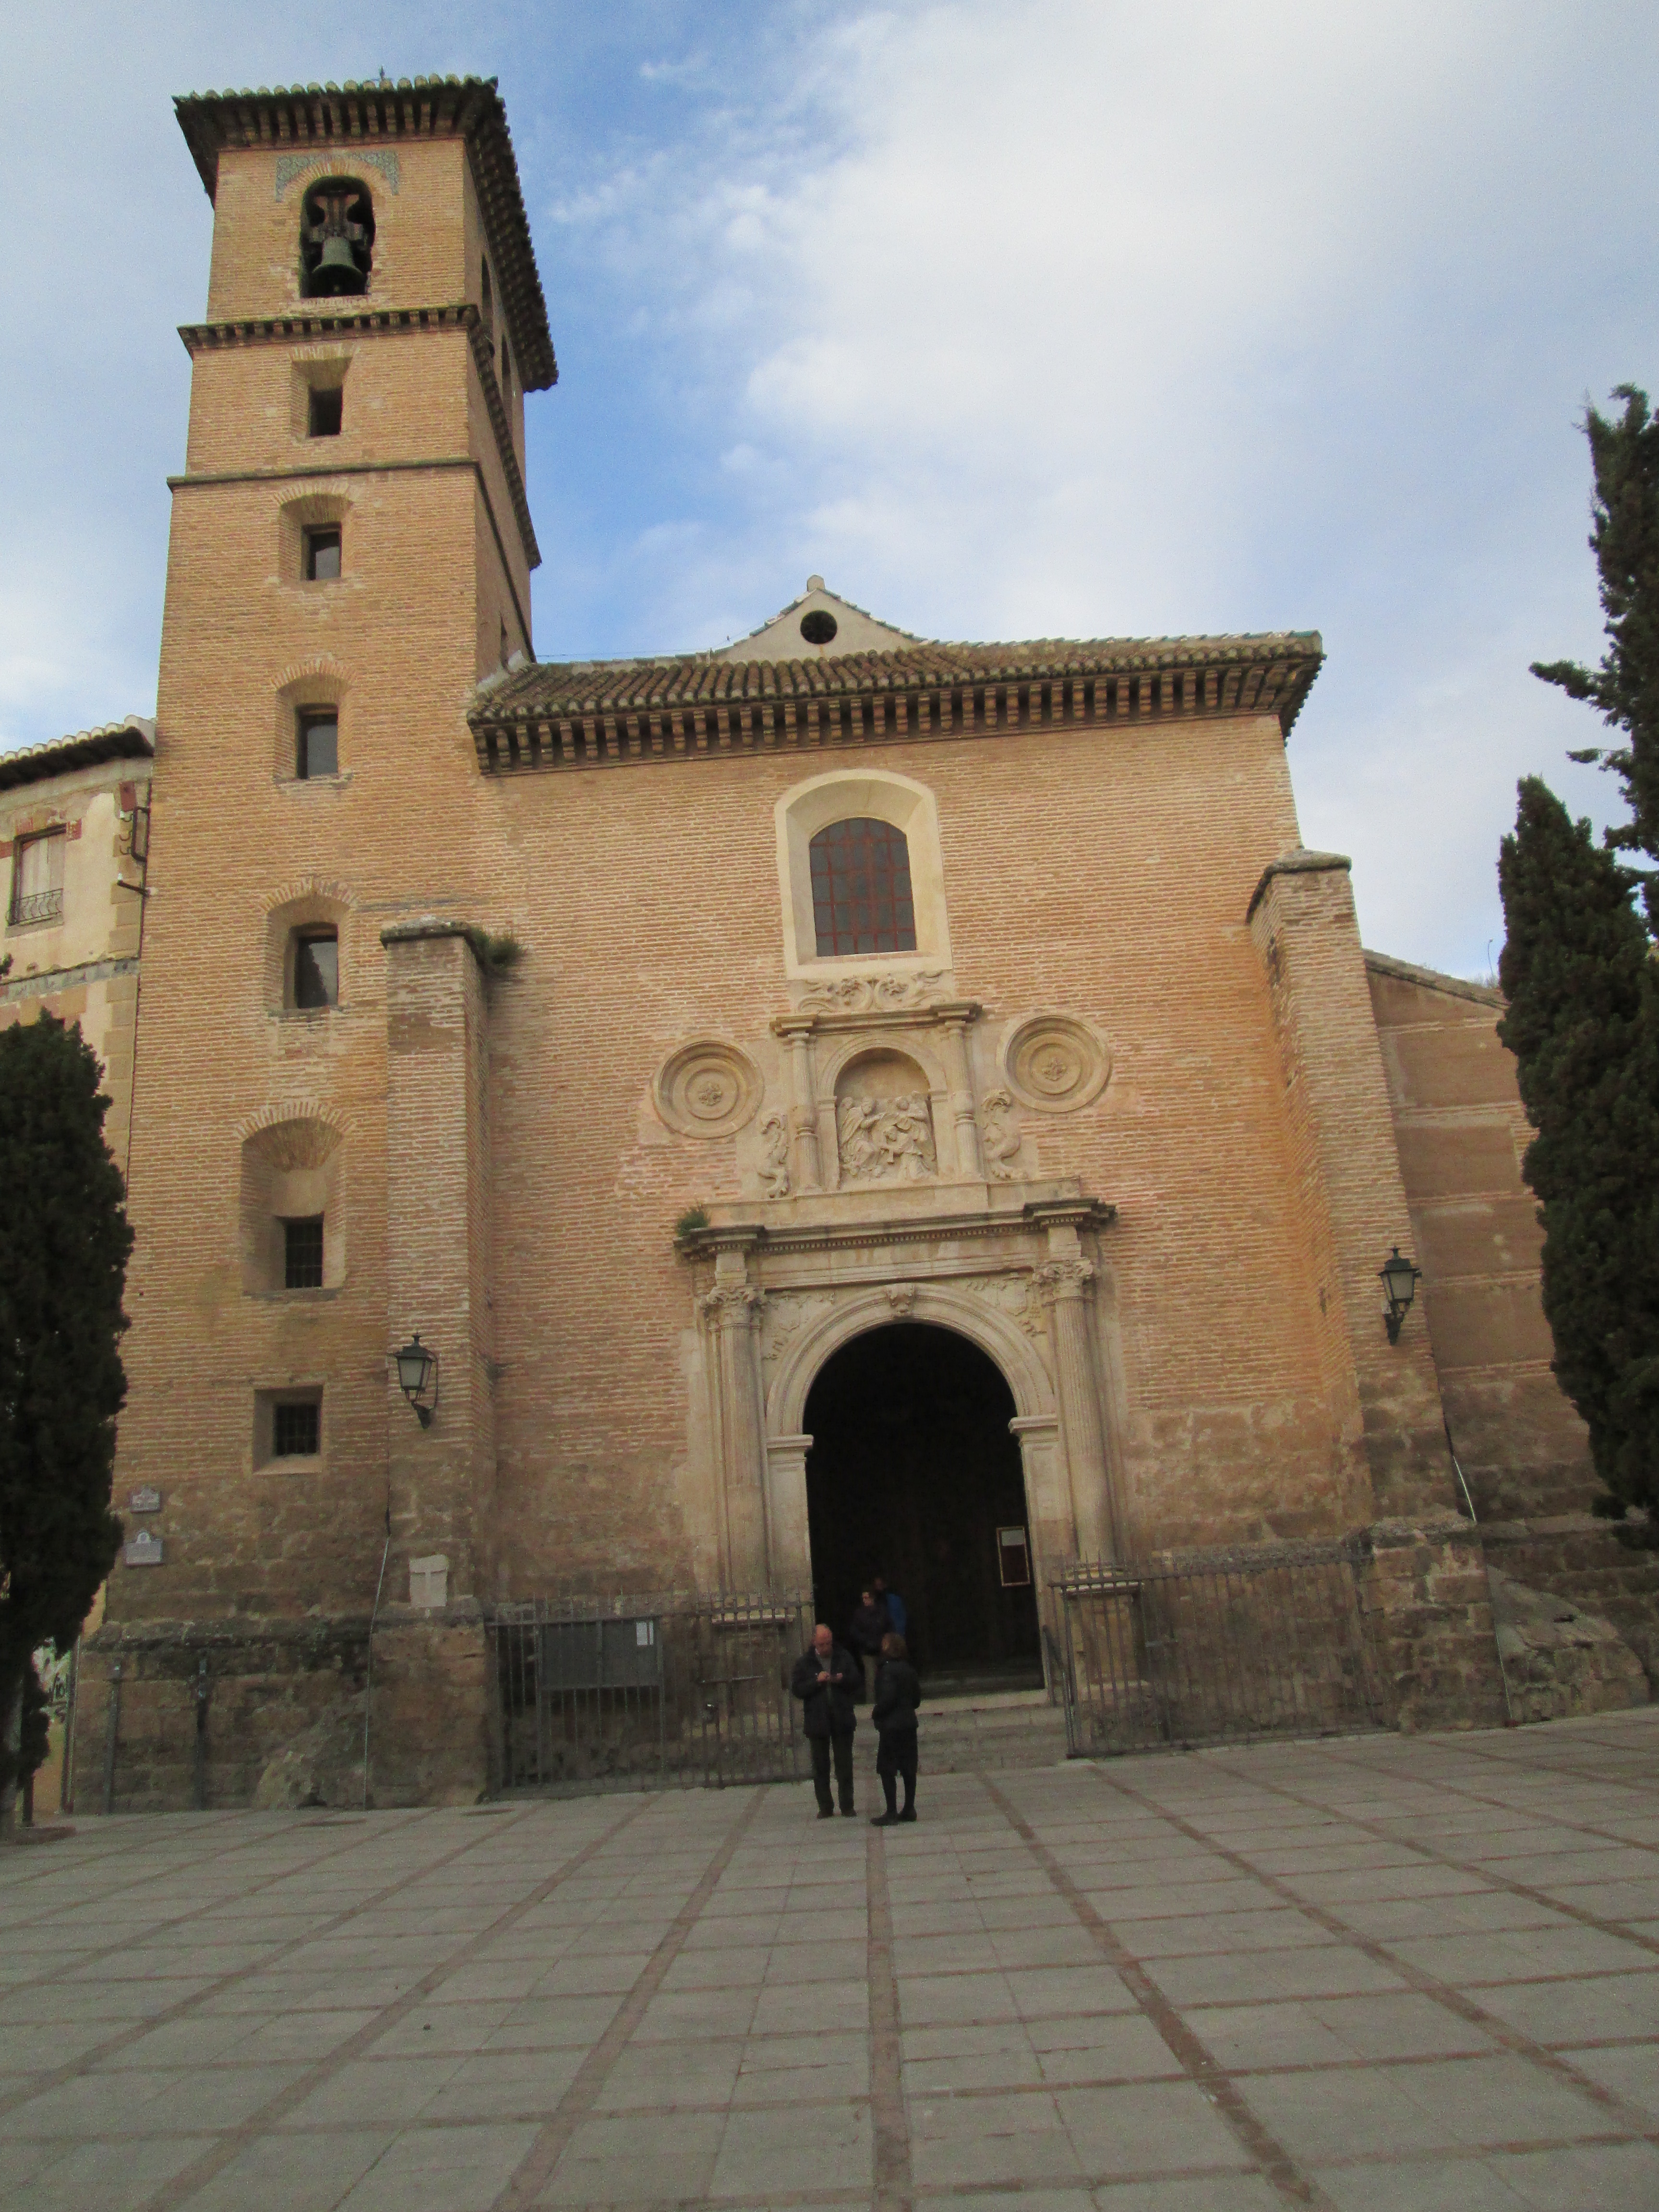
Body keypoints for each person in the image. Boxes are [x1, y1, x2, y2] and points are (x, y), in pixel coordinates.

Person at [790, 1622, 861, 1818]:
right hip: (818, 1720)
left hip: (841, 1717)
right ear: (814, 1642)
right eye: (822, 1644)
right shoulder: (805, 1663)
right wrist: (816, 1682)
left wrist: (842, 1679)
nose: (826, 1648)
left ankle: (847, 1804)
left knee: (844, 1765)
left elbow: (856, 1680)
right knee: (820, 1766)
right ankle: (825, 1806)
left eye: (828, 1643)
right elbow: (797, 1689)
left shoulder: (843, 1656)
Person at [869, 1632, 922, 1826]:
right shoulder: (909, 1670)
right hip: (908, 1723)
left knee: (887, 1768)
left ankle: (891, 1810)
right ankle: (909, 1807)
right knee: (909, 1767)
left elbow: (887, 1698)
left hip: (892, 1726)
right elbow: (916, 1700)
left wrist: (877, 1712)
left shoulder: (887, 1670)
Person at [848, 1587, 890, 1702]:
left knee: (885, 1677)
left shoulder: (882, 1611)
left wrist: (885, 1641)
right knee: (871, 1678)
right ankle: (871, 1703)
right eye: (863, 1598)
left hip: (882, 1649)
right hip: (867, 1651)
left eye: (867, 1597)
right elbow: (854, 1632)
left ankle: (885, 1701)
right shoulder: (859, 1614)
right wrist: (866, 1642)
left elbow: (889, 1627)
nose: (865, 1600)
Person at [871, 1575, 907, 1643]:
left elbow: (902, 1618)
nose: (879, 1588)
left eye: (880, 1585)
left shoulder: (895, 1600)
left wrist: (898, 1636)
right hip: (880, 1641)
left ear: (885, 1585)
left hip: (896, 1637)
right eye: (877, 1586)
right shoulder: (873, 1603)